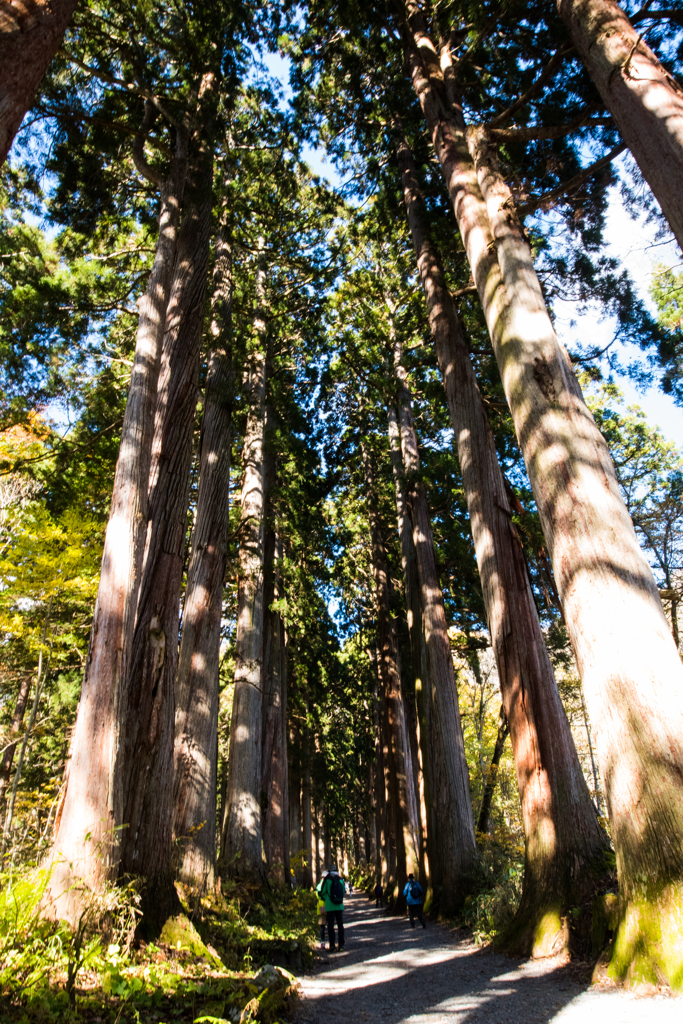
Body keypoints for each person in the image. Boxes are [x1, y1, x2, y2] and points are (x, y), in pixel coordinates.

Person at [316, 863, 346, 952]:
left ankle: (332, 946)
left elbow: (322, 892)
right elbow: (343, 891)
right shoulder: (340, 879)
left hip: (329, 906)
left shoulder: (327, 879)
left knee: (331, 926)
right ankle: (341, 945)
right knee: (340, 925)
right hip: (339, 905)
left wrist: (326, 899)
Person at [317, 870, 329, 949]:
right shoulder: (323, 885)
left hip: (322, 906)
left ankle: (323, 942)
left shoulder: (319, 885)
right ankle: (323, 941)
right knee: (324, 925)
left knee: (323, 925)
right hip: (325, 906)